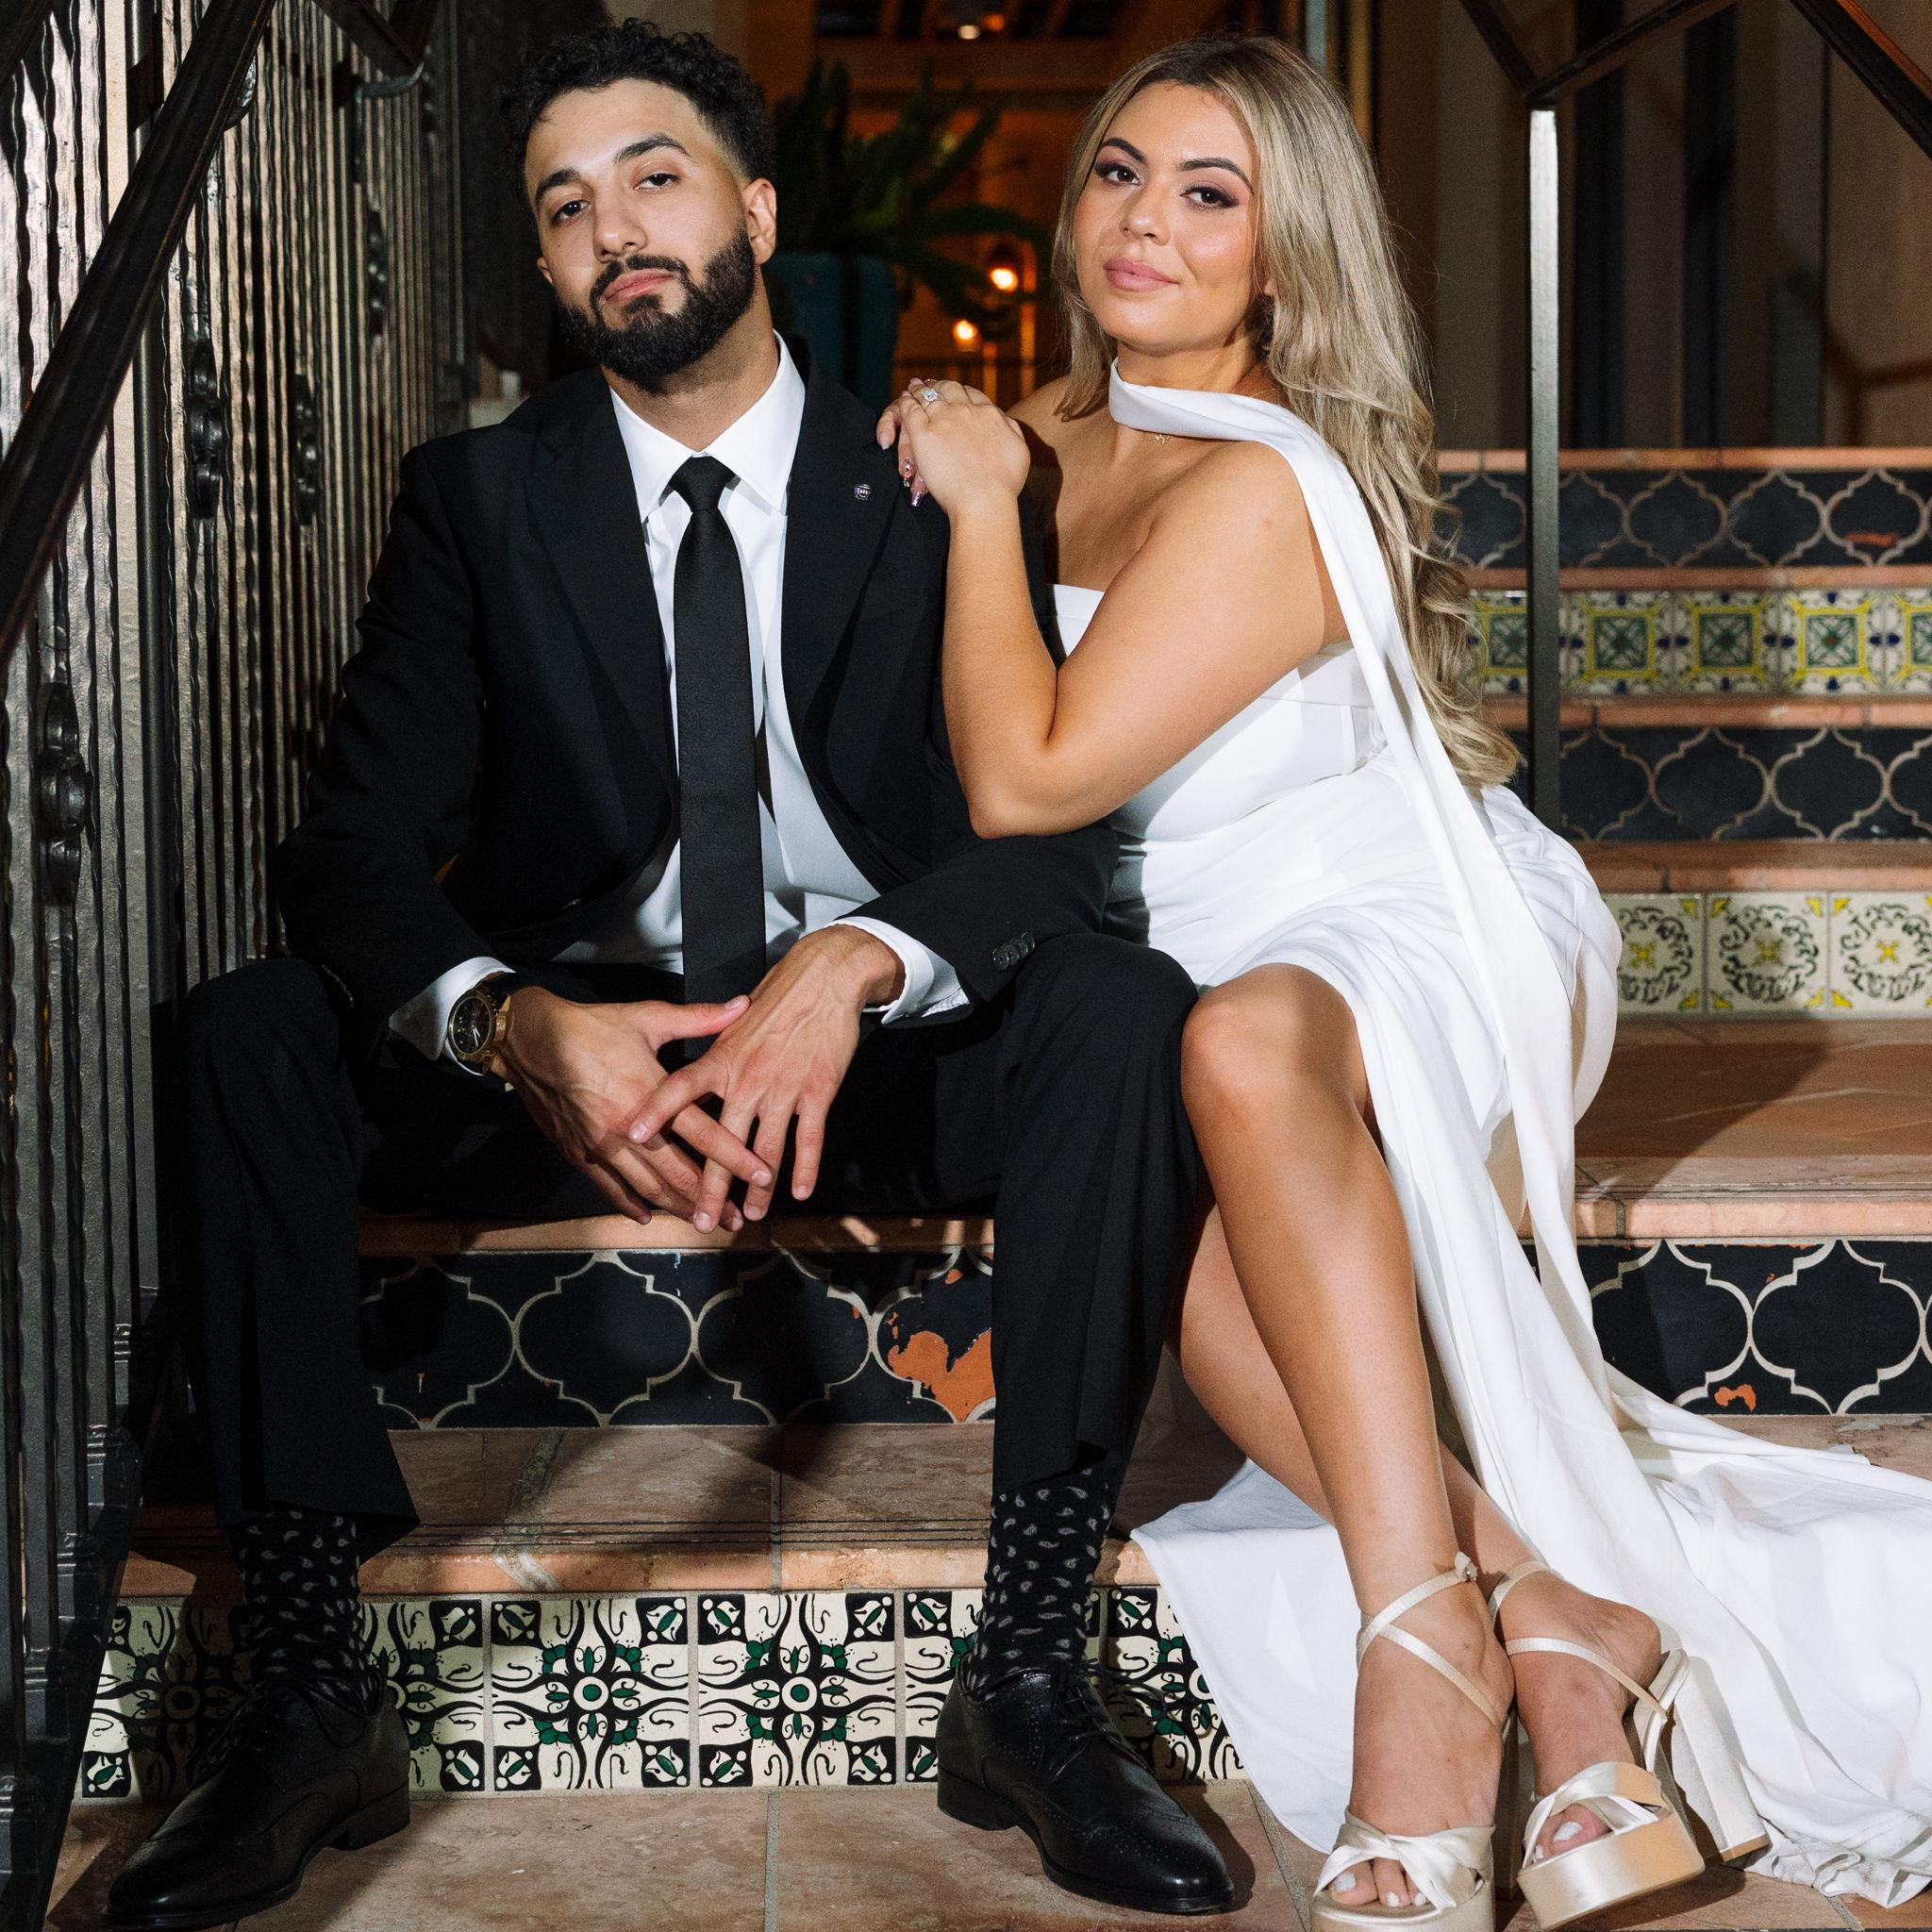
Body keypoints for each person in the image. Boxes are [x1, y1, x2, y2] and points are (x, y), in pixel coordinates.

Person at [107, 23, 1235, 1928]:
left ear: (757, 214)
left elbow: (1049, 830)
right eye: (565, 207)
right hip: (586, 1070)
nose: (613, 228)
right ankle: (303, 1684)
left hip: (866, 1063)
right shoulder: (479, 498)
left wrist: (854, 964)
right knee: (250, 1031)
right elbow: (353, 853)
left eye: (654, 178)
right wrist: (516, 1022)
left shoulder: (939, 472)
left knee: (1122, 1006)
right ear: (549, 267)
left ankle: (1036, 1667)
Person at [878, 30, 1932, 1932]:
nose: (1145, 222)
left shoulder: (1266, 476)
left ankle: (1420, 1664)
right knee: (1171, 1170)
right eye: (1120, 170)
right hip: (1198, 945)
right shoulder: (1043, 428)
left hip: (1403, 912)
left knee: (1234, 1043)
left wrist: (967, 510)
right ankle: (1547, 1607)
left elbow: (1026, 778)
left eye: (1212, 194)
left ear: (1284, 255)